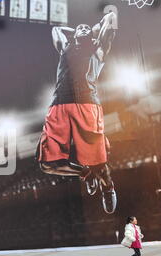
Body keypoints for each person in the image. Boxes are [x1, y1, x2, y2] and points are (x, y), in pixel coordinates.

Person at [36, 11, 118, 214]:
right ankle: (85, 173)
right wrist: (78, 31)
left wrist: (94, 29)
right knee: (48, 164)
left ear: (92, 33)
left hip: (87, 104)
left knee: (99, 163)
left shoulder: (99, 48)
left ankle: (107, 187)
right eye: (79, 27)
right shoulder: (66, 47)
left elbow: (110, 19)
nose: (82, 28)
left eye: (85, 27)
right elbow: (56, 30)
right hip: (59, 104)